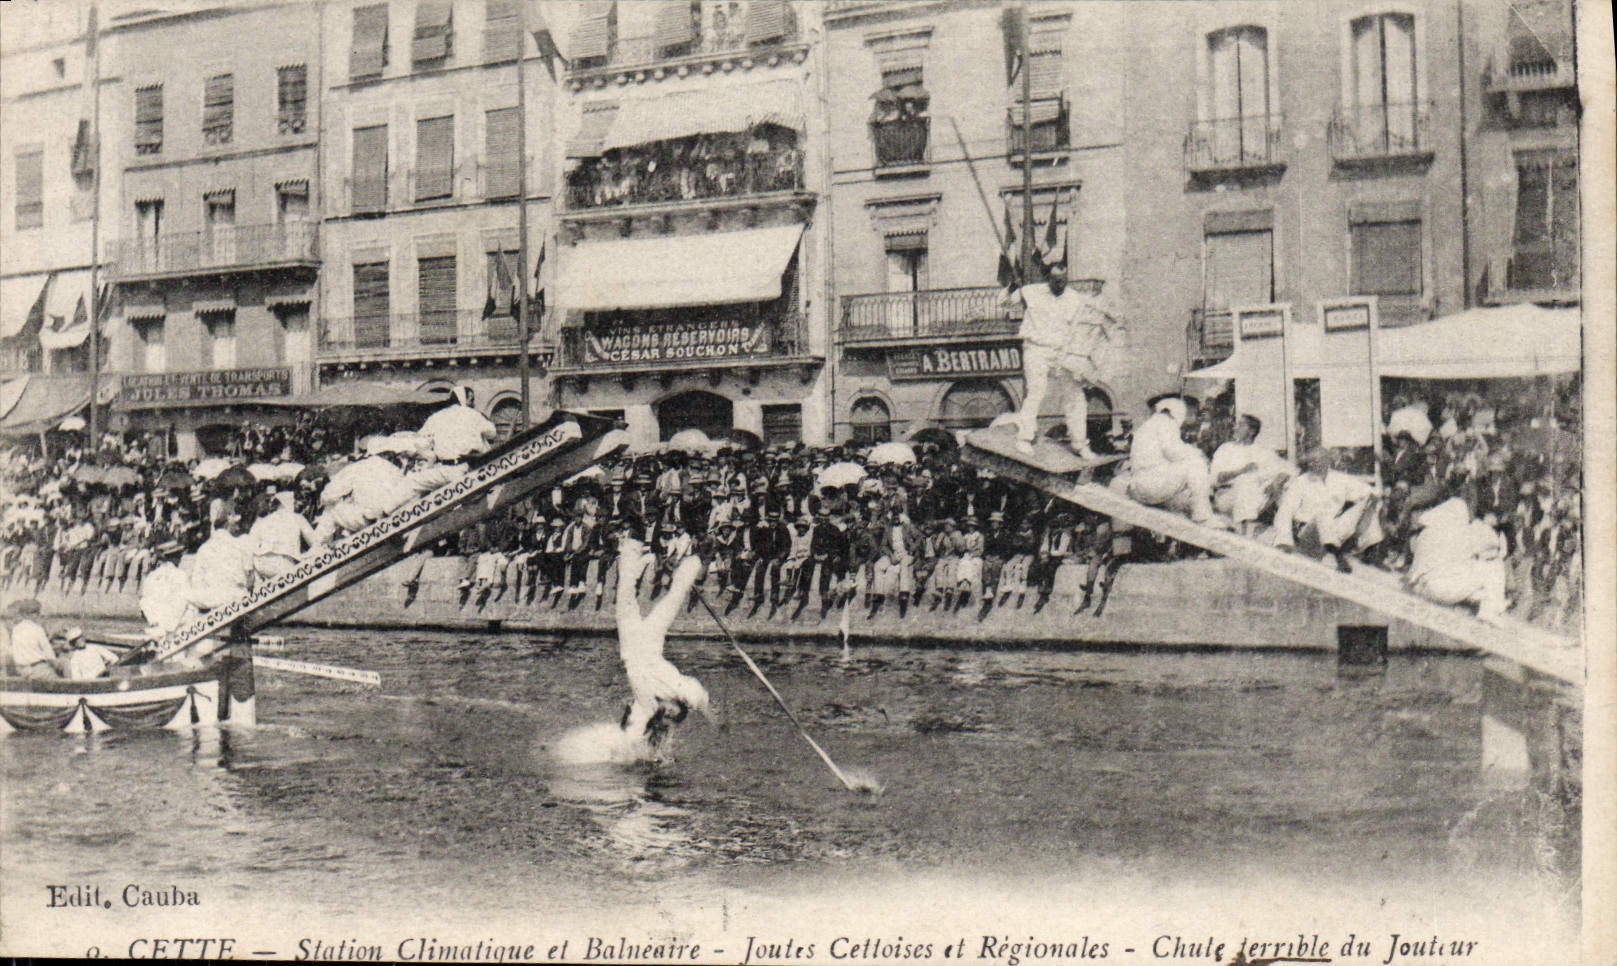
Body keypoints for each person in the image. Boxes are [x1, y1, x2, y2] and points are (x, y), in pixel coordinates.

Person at [615, 526, 710, 755]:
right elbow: (700, 700)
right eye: (672, 712)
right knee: (674, 598)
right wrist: (712, 716)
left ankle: (634, 542)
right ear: (677, 705)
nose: (667, 712)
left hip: (631, 645)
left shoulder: (645, 707)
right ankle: (698, 558)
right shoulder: (679, 688)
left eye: (667, 715)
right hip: (649, 645)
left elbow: (629, 733)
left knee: (625, 593)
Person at [1007, 266, 1121, 458]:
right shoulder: (1032, 291)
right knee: (1036, 391)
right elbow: (1006, 302)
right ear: (1048, 279)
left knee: (1075, 396)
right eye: (1055, 280)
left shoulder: (1075, 299)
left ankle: (1079, 444)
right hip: (1036, 349)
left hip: (1062, 353)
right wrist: (1012, 288)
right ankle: (1024, 437)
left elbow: (1094, 318)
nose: (1059, 284)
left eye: (1063, 280)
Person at [1404, 492, 1509, 625]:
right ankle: (1488, 611)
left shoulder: (1426, 533)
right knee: (1494, 565)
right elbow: (1493, 543)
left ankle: (1477, 602)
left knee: (1468, 567)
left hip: (1422, 588)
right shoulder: (1464, 533)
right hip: (1442, 590)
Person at [1272, 449, 1383, 573]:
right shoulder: (1301, 482)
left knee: (1367, 502)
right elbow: (1285, 510)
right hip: (1309, 534)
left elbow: (1373, 490)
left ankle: (1371, 551)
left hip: (1334, 531)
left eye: (1315, 460)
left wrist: (1373, 497)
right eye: (1310, 462)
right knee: (1322, 515)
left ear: (1326, 461)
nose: (1311, 464)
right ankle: (1337, 556)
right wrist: (1284, 541)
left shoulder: (1340, 480)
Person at [1119, 395, 1218, 525]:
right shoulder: (1166, 423)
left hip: (1142, 483)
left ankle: (1193, 511)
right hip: (1150, 483)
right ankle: (1203, 516)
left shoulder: (1150, 424)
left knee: (1190, 483)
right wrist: (1198, 454)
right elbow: (1173, 452)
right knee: (1196, 464)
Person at [1209, 414, 1295, 537]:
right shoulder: (1226, 449)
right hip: (1227, 495)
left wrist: (1276, 482)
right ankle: (1246, 533)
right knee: (1247, 480)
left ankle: (1283, 534)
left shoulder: (1262, 451)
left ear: (1252, 431)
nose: (1235, 428)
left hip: (1255, 498)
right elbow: (1216, 478)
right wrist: (1241, 471)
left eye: (1241, 425)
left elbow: (1289, 468)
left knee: (1260, 485)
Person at [249, 490, 317, 579]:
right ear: (289, 503)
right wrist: (304, 557)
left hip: (260, 563)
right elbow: (315, 542)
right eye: (294, 502)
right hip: (283, 562)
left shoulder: (261, 521)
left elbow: (250, 545)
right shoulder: (297, 517)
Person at [5, 598, 57, 679]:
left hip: (22, 670)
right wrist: (55, 664)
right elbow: (49, 654)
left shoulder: (16, 629)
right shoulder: (37, 629)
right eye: (37, 613)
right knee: (59, 678)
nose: (39, 615)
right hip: (37, 669)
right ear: (30, 614)